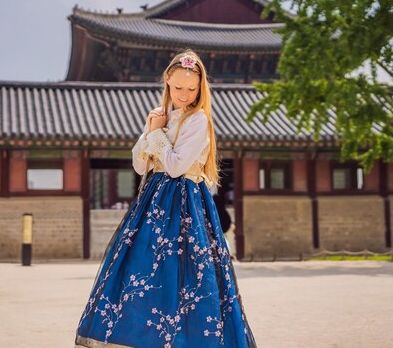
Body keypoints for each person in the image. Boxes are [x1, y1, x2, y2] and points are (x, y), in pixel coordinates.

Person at [75, 50, 257, 348]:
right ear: (167, 83)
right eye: (178, 87)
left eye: (192, 89)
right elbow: (139, 164)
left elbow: (174, 166)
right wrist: (151, 130)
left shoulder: (198, 121)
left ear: (200, 89)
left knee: (188, 276)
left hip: (185, 205)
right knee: (145, 271)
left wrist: (156, 136)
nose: (184, 94)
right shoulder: (161, 118)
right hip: (153, 203)